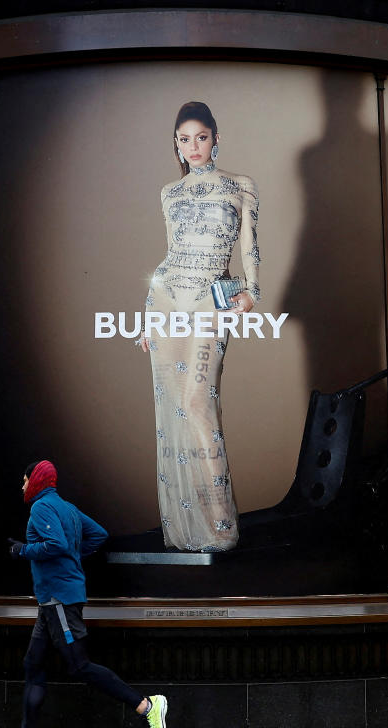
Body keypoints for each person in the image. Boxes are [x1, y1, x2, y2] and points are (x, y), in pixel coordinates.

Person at [0, 460, 168, 728]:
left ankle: (146, 706)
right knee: (33, 664)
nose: (22, 486)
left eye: (24, 480)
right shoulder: (67, 507)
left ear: (36, 481)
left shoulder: (41, 508)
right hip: (52, 602)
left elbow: (55, 544)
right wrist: (73, 557)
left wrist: (22, 550)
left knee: (79, 666)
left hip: (58, 600)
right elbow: (98, 534)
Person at [139, 101, 260, 552]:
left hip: (213, 297)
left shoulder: (239, 186)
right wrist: (150, 314)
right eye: (183, 139)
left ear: (216, 138)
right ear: (176, 143)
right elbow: (170, 255)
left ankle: (221, 528)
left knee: (197, 403)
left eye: (201, 137)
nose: (193, 146)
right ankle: (184, 531)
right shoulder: (169, 193)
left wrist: (252, 292)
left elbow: (249, 248)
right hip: (167, 299)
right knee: (173, 408)